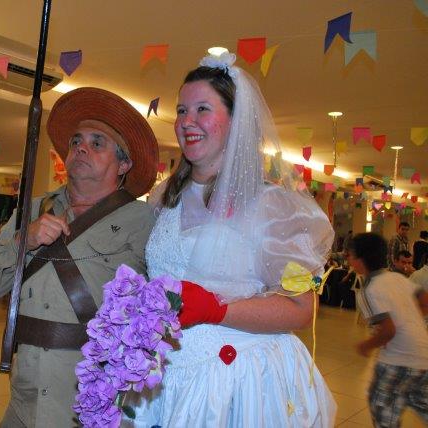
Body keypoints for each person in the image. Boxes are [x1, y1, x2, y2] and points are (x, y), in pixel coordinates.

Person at [128, 51, 336, 427]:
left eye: (202, 109)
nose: (187, 121)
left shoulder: (274, 206)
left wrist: (216, 309)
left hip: (239, 379)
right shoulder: (163, 197)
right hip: (169, 374)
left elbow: (301, 310)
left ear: (236, 120)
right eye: (181, 110)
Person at [0, 86, 158, 427]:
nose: (81, 148)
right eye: (76, 141)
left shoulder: (145, 221)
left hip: (94, 404)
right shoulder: (32, 209)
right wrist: (24, 240)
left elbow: (164, 311)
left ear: (124, 164)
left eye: (97, 143)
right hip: (26, 398)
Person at [348, 233, 428, 427]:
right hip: (423, 359)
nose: (348, 259)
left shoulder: (368, 290)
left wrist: (365, 346)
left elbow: (388, 331)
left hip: (396, 362)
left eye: (350, 255)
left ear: (360, 260)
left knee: (382, 407)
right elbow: (425, 300)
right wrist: (409, 320)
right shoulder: (397, 278)